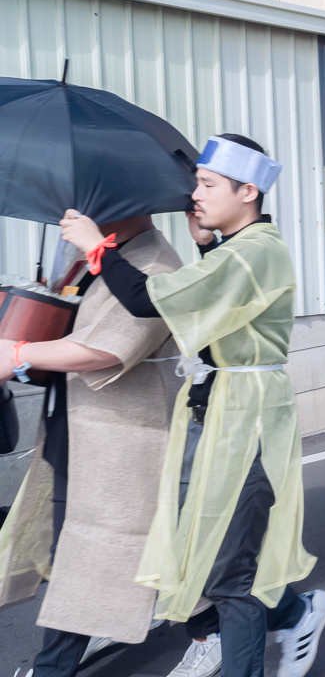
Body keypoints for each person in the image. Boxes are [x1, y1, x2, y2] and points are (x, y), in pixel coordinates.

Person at [55, 135, 325, 677]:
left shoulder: (257, 251)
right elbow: (214, 311)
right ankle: (297, 612)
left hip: (244, 417)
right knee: (205, 550)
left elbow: (145, 300)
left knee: (233, 573)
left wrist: (97, 247)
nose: (194, 196)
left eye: (207, 185)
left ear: (248, 190)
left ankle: (282, 625)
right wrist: (205, 245)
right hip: (217, 410)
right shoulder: (238, 251)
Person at [0, 215, 181, 677]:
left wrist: (19, 355)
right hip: (78, 426)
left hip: (119, 438)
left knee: (92, 556)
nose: (75, 213)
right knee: (94, 555)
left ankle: (220, 626)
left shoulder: (156, 261)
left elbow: (108, 348)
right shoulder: (94, 257)